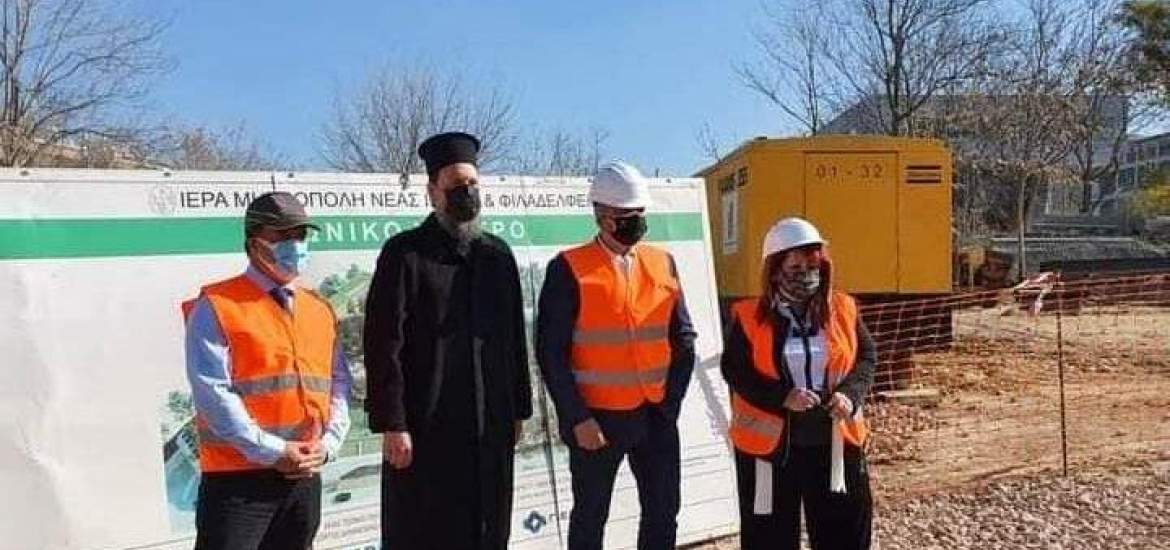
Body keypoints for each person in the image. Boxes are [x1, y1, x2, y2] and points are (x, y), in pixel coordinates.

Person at [362, 131, 533, 550]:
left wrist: (519, 409)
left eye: (473, 183)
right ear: (433, 192)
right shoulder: (405, 254)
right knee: (427, 531)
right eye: (456, 184)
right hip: (428, 426)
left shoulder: (497, 256)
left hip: (490, 422)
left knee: (489, 527)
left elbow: (514, 337)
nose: (467, 192)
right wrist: (393, 423)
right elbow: (383, 344)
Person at [536, 160, 698, 550]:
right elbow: (551, 353)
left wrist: (670, 403)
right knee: (590, 517)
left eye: (640, 213)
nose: (636, 222)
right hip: (597, 421)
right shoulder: (569, 268)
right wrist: (577, 418)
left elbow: (684, 338)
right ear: (602, 216)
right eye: (626, 215)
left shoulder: (662, 262)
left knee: (663, 512)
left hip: (655, 415)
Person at [183, 191, 352, 550]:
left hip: (303, 478)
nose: (295, 244)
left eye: (300, 235)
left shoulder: (319, 309)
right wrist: (273, 451)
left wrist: (329, 445)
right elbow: (213, 392)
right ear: (254, 243)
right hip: (238, 483)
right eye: (282, 235)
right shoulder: (217, 306)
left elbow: (338, 384)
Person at [720, 217, 876, 550]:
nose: (806, 274)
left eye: (813, 266)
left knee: (844, 535)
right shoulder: (748, 316)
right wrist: (783, 396)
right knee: (769, 539)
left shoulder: (844, 309)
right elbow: (736, 371)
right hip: (771, 450)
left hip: (835, 443)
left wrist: (849, 396)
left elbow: (865, 358)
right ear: (775, 271)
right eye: (795, 267)